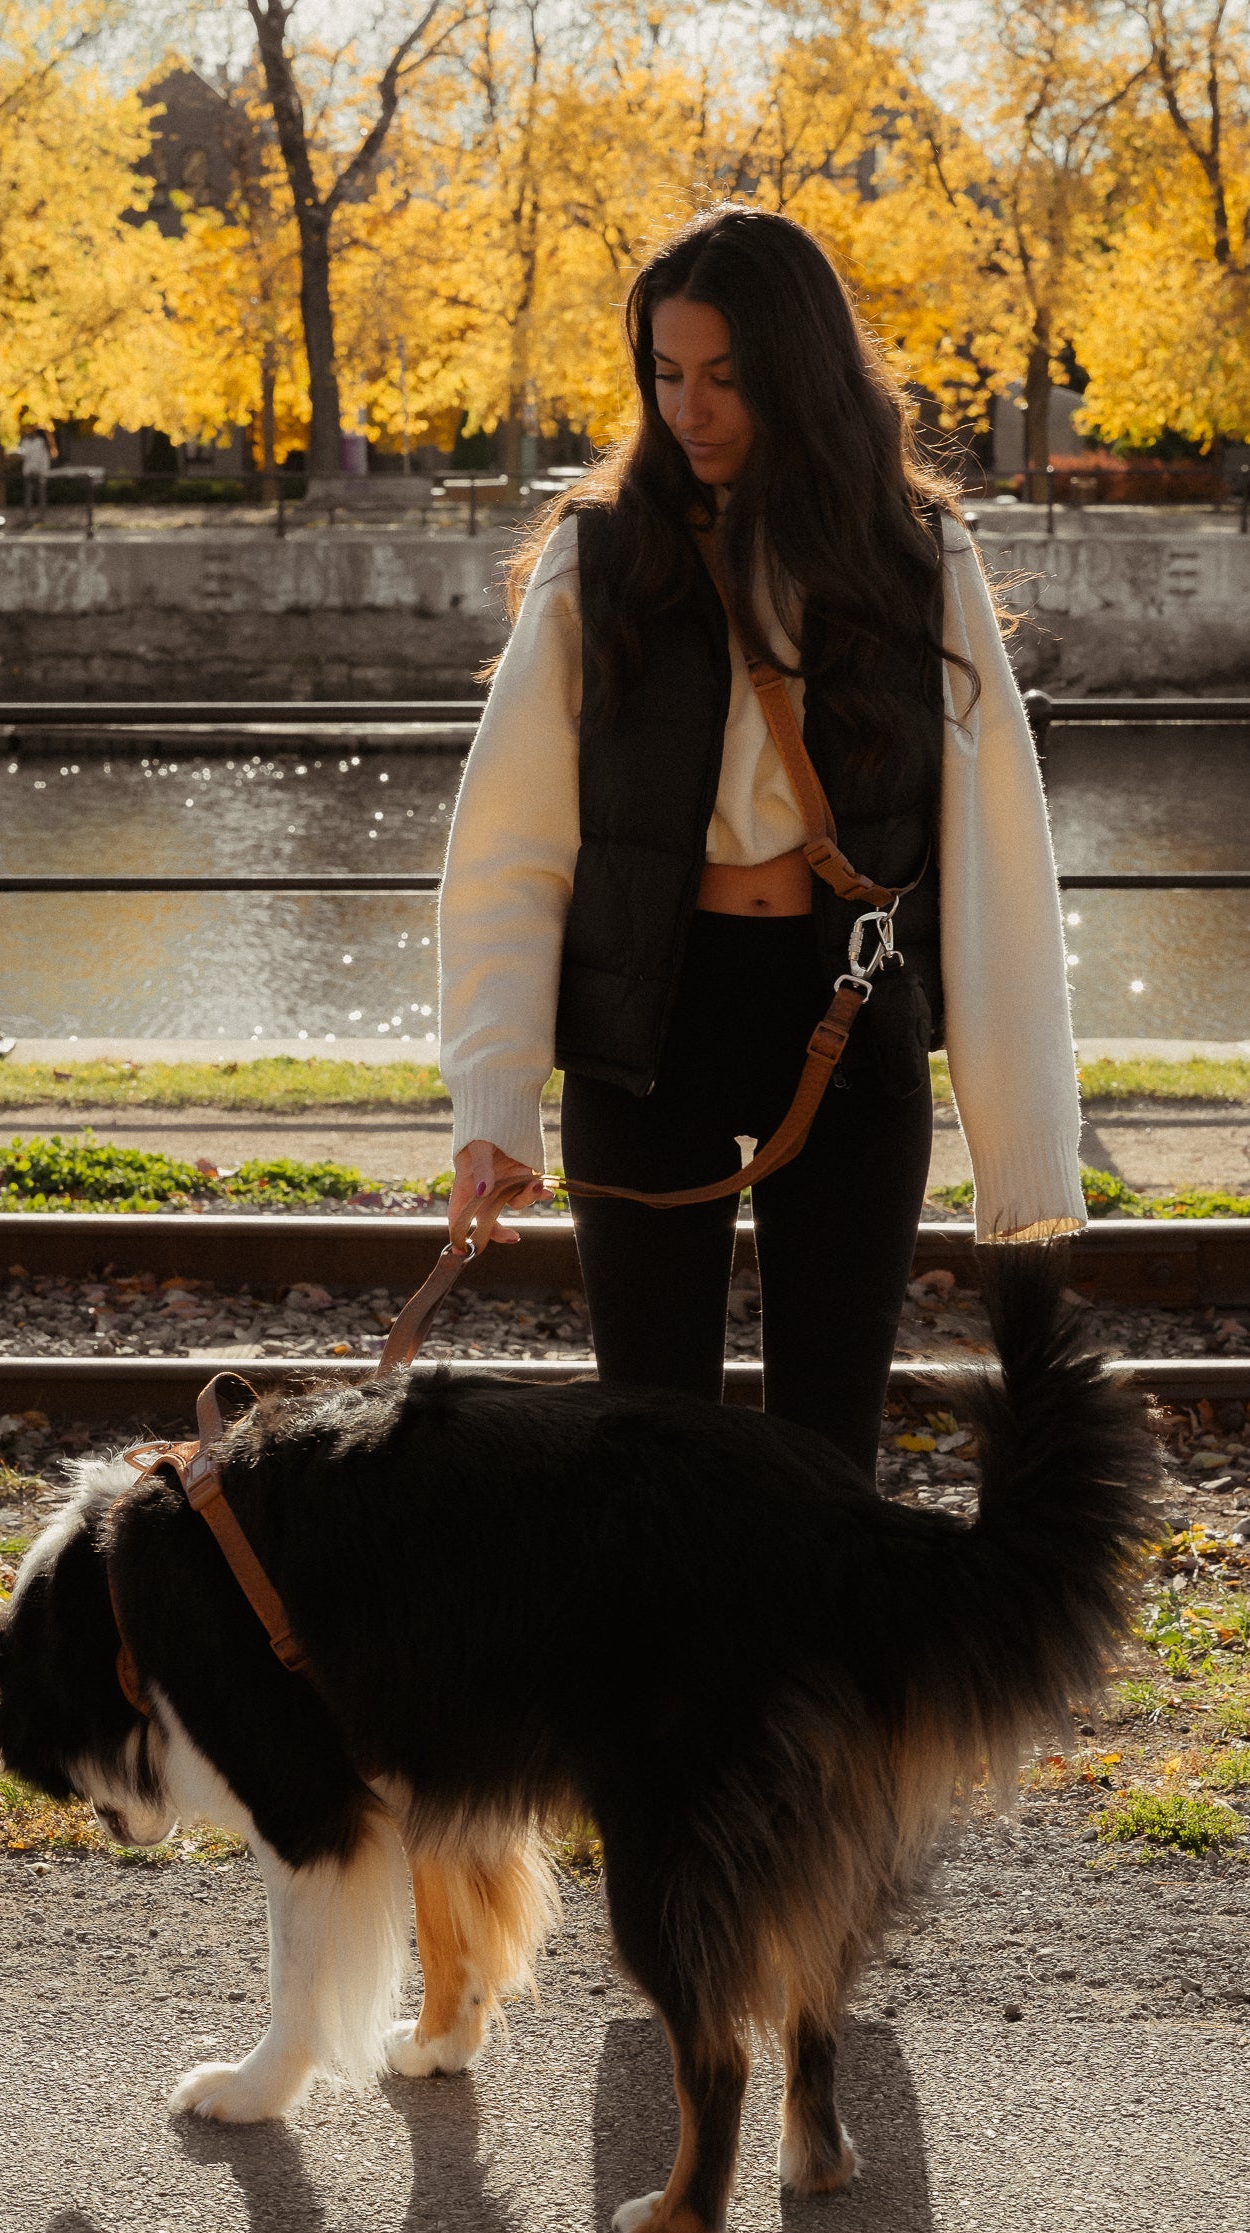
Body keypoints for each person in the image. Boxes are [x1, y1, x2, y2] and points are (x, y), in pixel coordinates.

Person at [437, 204, 1085, 1479]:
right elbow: (511, 847)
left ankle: (815, 1685)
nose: (691, 409)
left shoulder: (917, 553)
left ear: (799, 369)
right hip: (651, 1022)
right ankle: (671, 1682)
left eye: (726, 377)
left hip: (842, 1011)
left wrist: (1023, 1148)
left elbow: (998, 854)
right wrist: (493, 1101)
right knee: (650, 1435)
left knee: (827, 1445)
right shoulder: (601, 556)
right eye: (667, 376)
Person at [19, 425, 53, 519]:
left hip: (39, 473)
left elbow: (44, 459)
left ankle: (42, 517)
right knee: (28, 496)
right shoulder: (25, 442)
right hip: (29, 472)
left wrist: (44, 472)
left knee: (41, 496)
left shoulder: (41, 442)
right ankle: (27, 517)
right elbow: (23, 456)